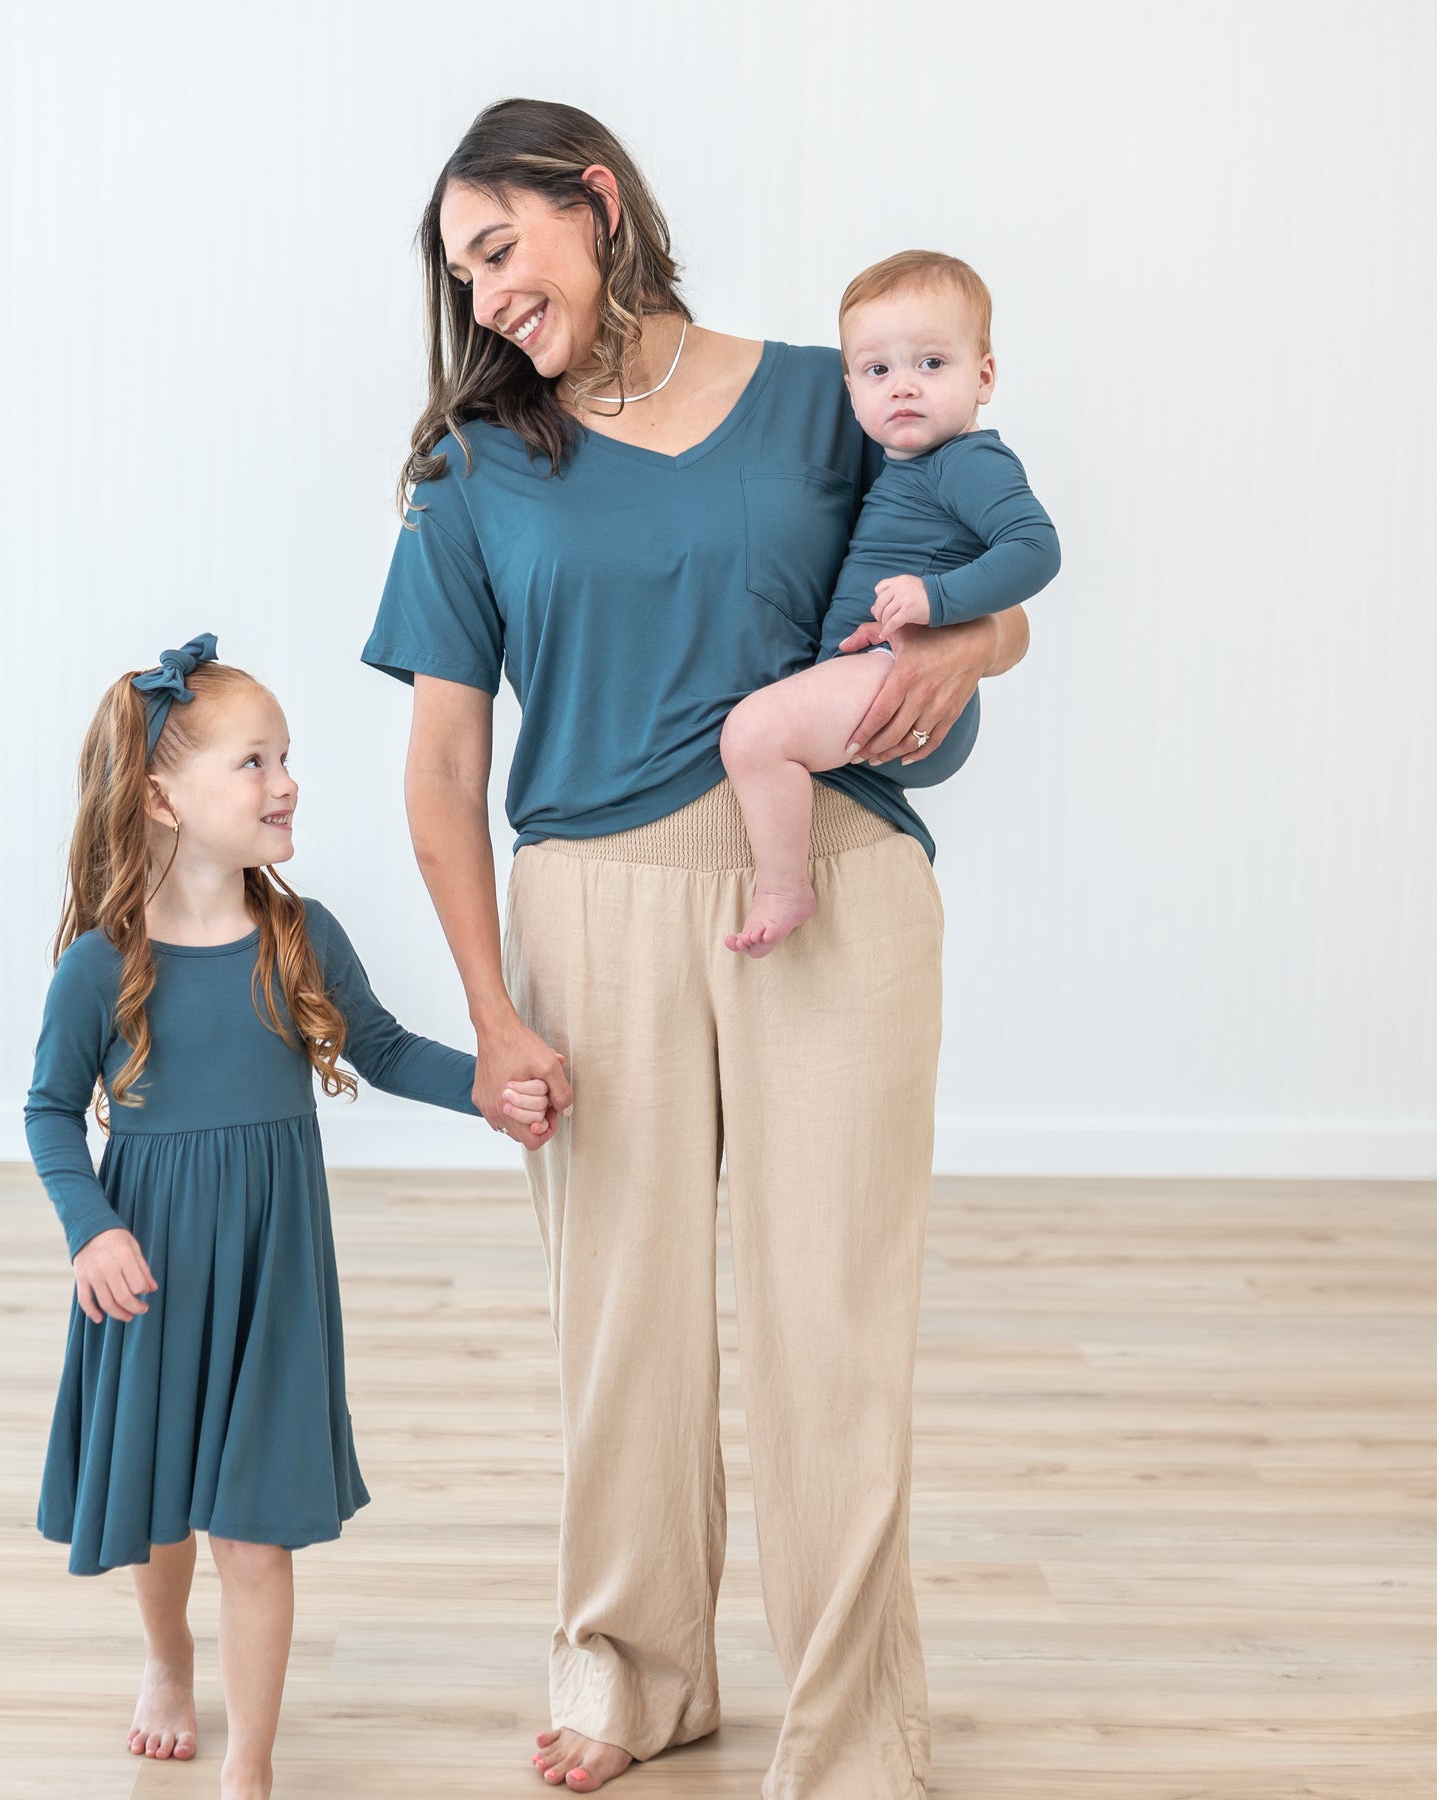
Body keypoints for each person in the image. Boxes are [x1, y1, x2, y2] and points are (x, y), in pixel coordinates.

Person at [361, 99, 1033, 1799]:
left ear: (595, 201)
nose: (486, 295)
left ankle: (854, 1729)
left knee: (833, 1326)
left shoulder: (827, 392)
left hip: (838, 886)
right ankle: (634, 1670)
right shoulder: (473, 470)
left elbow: (990, 584)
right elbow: (440, 774)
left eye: (501, 247)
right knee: (623, 1326)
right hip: (592, 907)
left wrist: (981, 642)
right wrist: (492, 1013)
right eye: (461, 275)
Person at [22, 633, 551, 1799]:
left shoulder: (298, 934)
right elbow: (51, 1112)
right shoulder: (102, 967)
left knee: (254, 1527)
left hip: (273, 1273)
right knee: (162, 1506)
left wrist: (488, 1087)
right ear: (161, 798)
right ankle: (168, 1659)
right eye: (254, 763)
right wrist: (90, 1228)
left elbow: (384, 1047)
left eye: (286, 757)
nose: (286, 783)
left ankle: (250, 1769)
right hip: (154, 1268)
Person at [721, 249, 1060, 956]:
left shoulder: (969, 461)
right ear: (850, 390)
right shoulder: (909, 462)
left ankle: (783, 889)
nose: (903, 385)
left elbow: (1035, 548)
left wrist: (937, 600)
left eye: (931, 363)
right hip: (875, 677)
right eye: (878, 370)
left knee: (752, 734)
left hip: (902, 682)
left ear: (984, 376)